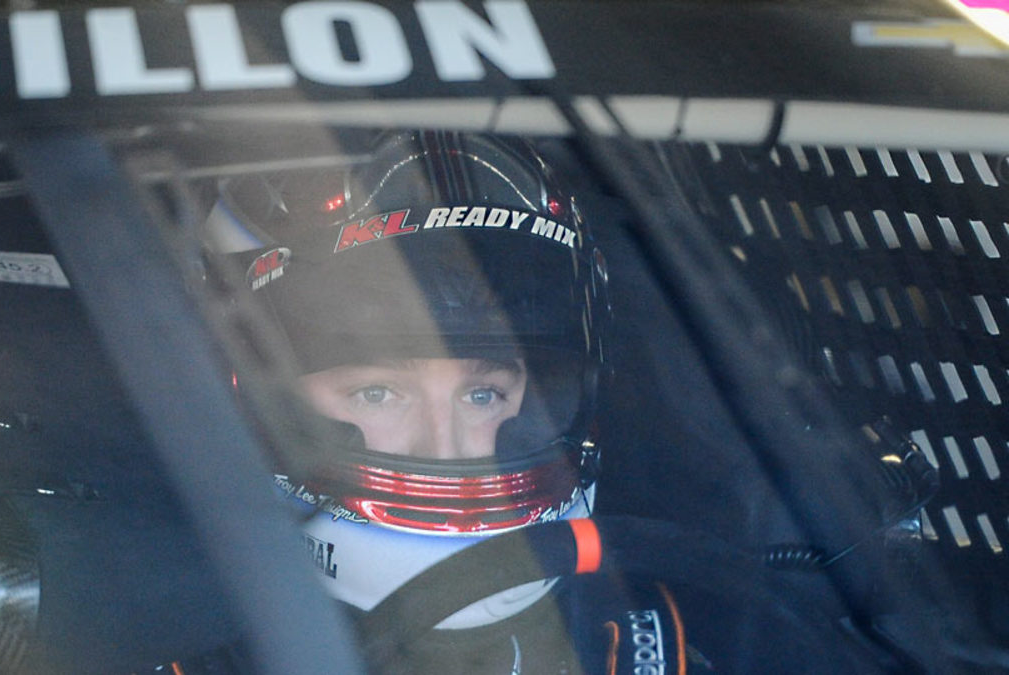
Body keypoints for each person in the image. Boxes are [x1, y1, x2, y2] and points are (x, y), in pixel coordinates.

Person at [227, 130, 888, 674]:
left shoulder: (683, 635)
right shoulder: (187, 638)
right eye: (377, 392)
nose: (448, 447)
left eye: (483, 393)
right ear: (259, 396)